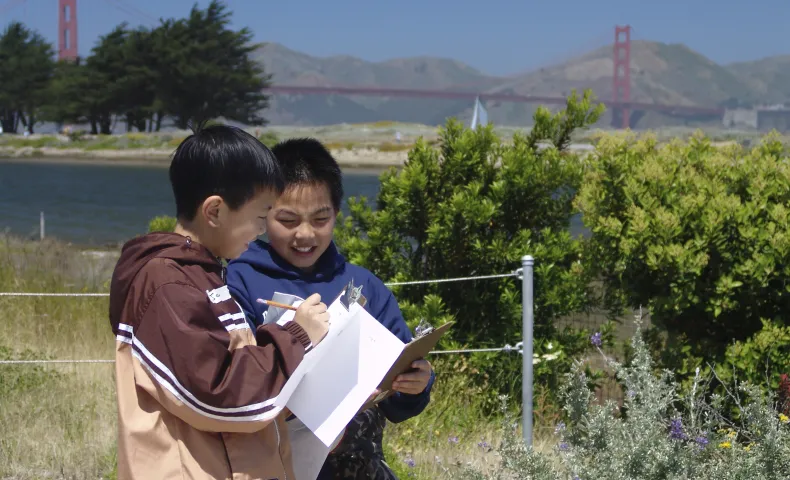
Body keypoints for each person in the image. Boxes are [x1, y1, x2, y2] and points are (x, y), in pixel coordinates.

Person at [108, 125, 331, 480]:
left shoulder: (204, 273)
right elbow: (219, 394)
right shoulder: (166, 284)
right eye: (260, 217)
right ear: (215, 211)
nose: (261, 231)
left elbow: (226, 367)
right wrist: (297, 337)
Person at [226, 138, 435, 479]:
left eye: (320, 219)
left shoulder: (365, 287)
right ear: (263, 215)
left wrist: (417, 384)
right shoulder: (240, 279)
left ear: (337, 212)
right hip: (272, 466)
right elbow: (235, 383)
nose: (305, 234)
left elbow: (400, 398)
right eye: (288, 220)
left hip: (357, 469)